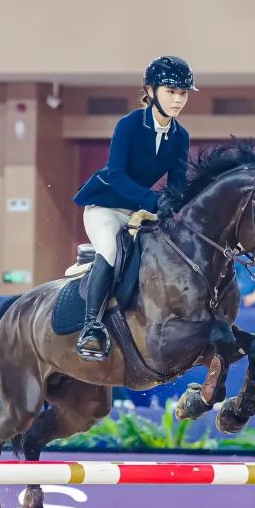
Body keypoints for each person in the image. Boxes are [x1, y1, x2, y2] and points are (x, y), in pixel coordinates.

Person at [71, 55, 196, 361]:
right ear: (151, 91)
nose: (178, 99)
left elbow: (177, 183)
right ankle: (91, 327)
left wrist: (180, 205)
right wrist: (154, 201)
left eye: (182, 93)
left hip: (138, 213)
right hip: (105, 206)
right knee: (111, 252)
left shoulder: (180, 136)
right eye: (171, 92)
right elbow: (116, 175)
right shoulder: (129, 125)